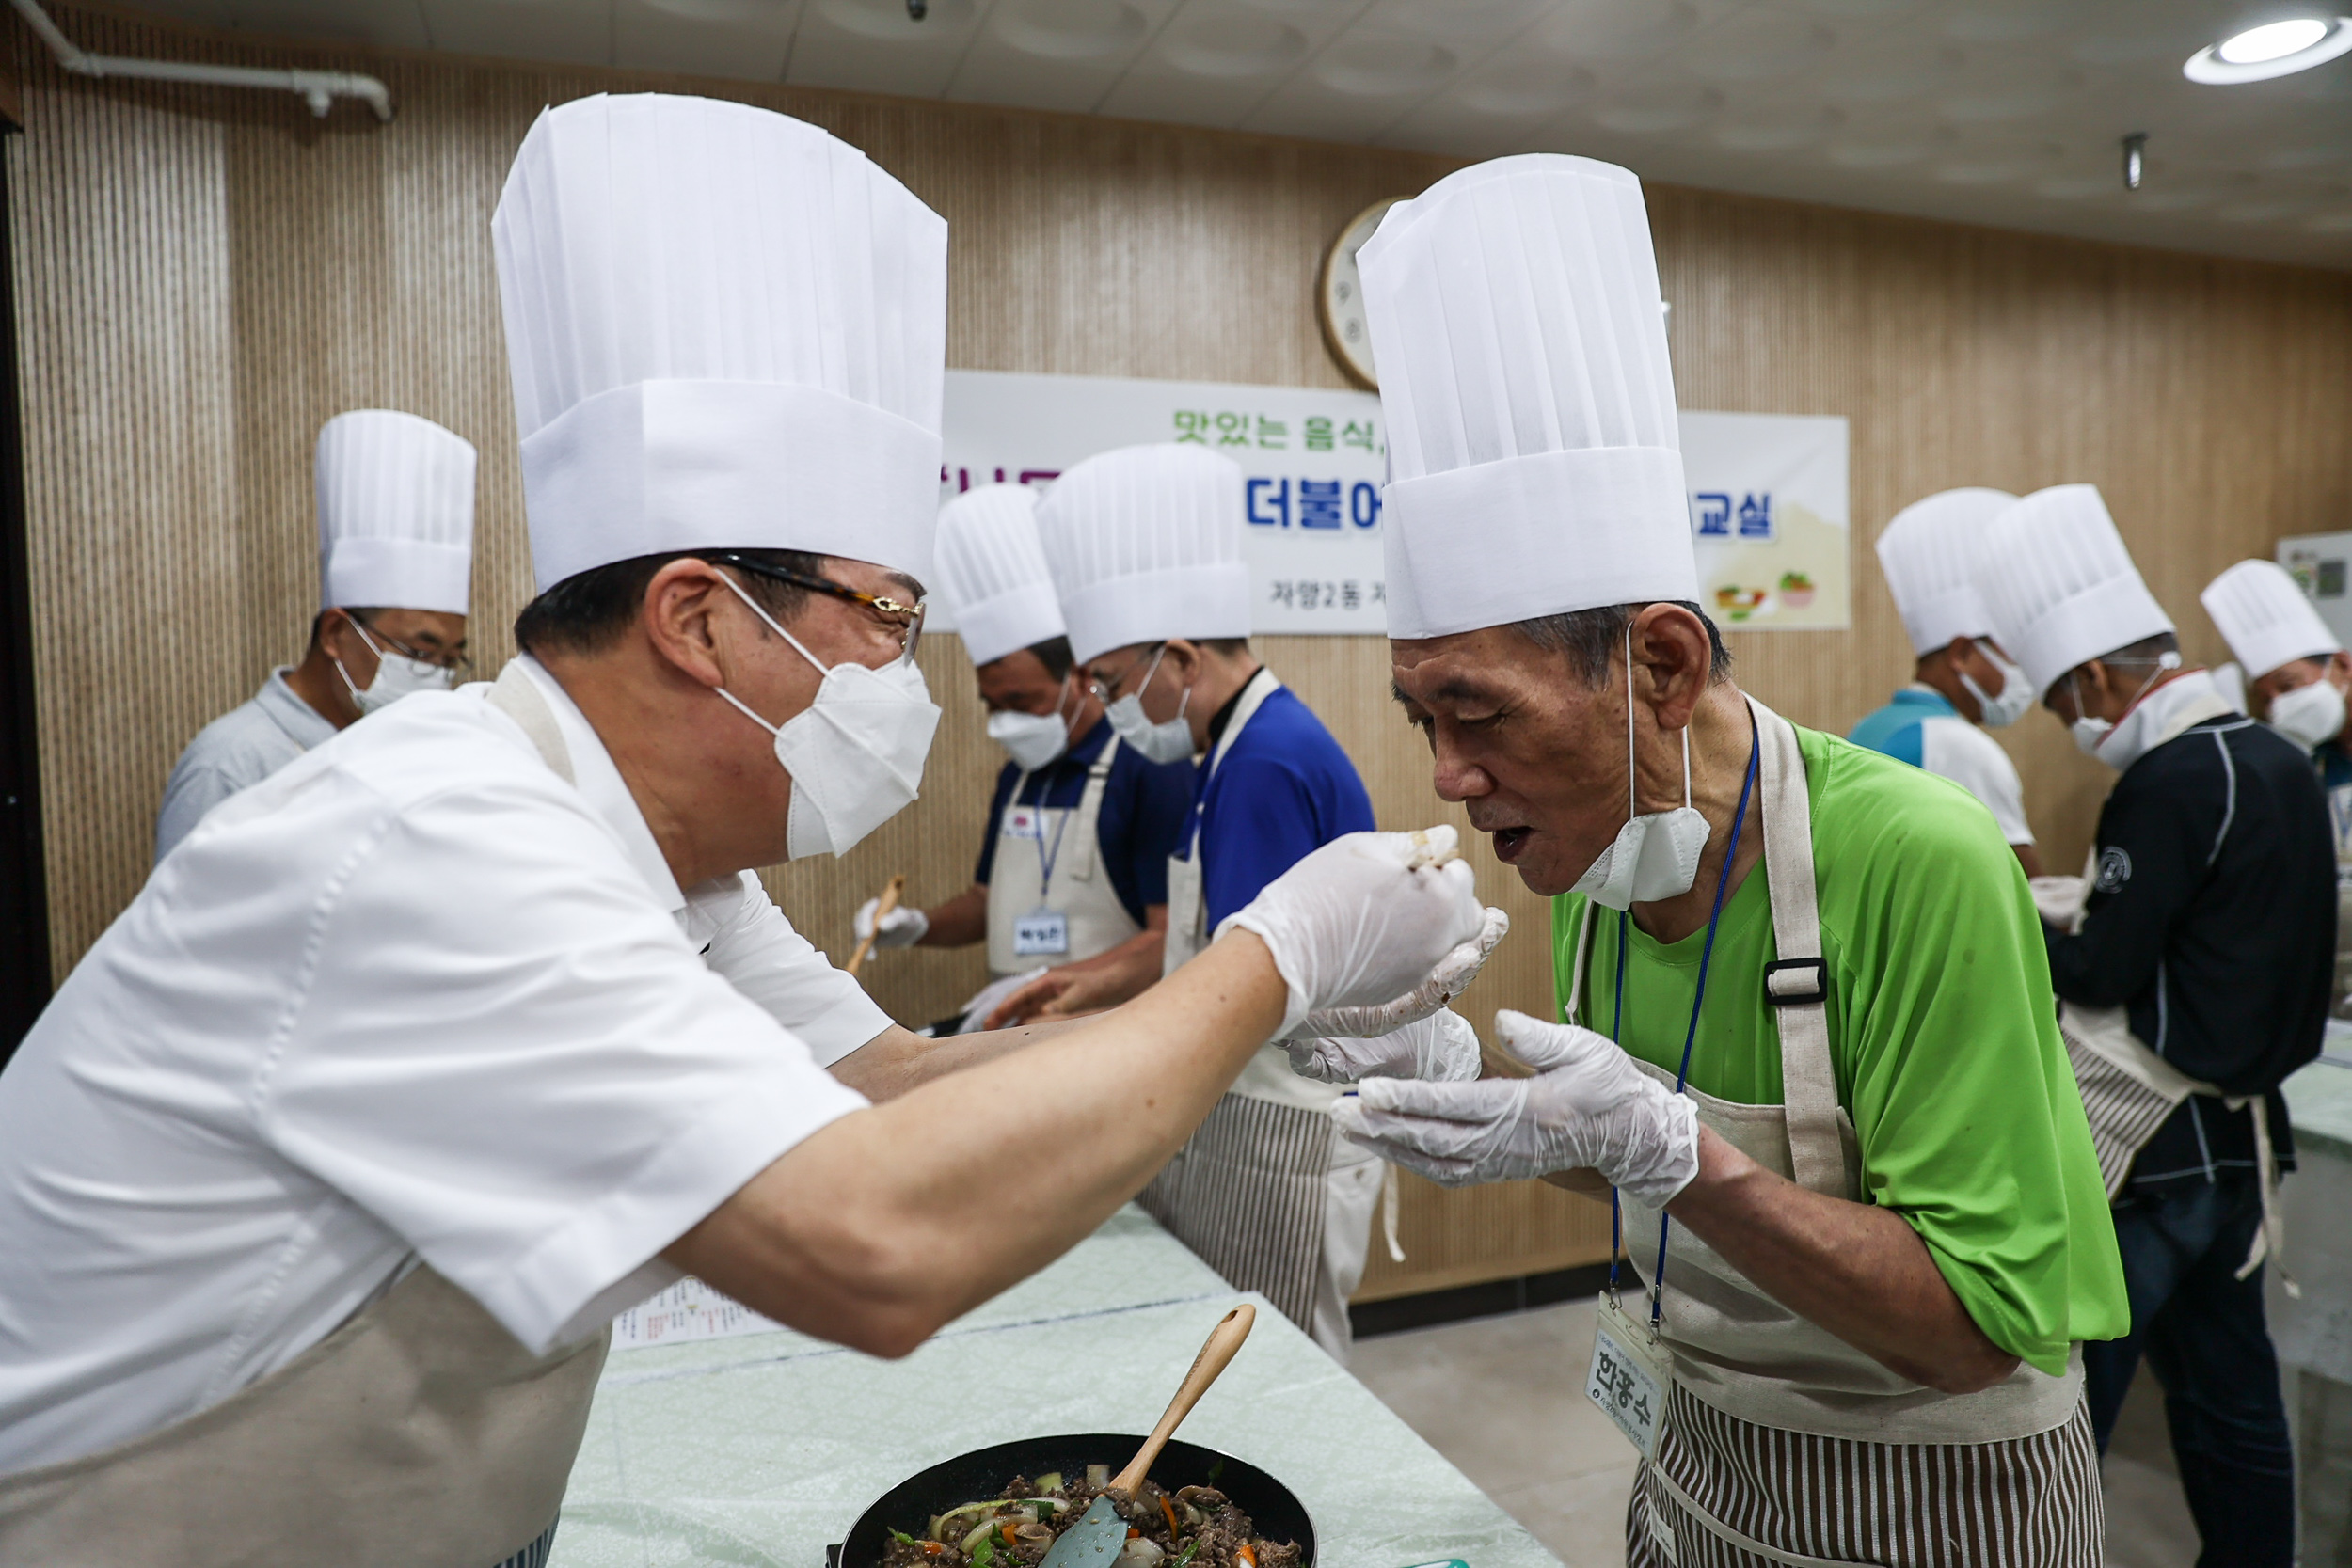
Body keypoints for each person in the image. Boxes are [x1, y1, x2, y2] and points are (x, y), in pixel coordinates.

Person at [0, 94, 1492, 1568]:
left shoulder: (675, 865)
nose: (907, 684)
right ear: (704, 617)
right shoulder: (442, 827)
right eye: (888, 620)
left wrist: (1253, 1004)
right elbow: (875, 1240)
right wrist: (1281, 955)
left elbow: (895, 1079)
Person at [1335, 153, 2128, 1568]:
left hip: (1934, 1502)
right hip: (1692, 1472)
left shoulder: (1916, 854)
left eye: (1481, 714)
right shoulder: (1598, 867)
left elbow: (1970, 1329)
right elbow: (1643, 1155)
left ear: (1661, 659)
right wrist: (1515, 1113)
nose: (1451, 778)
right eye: (1425, 720)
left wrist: (1679, 1161)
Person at [1021, 440, 1500, 1363]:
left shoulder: (1264, 763)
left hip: (1283, 1129)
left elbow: (1255, 997)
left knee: (1282, 1379)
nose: (1113, 708)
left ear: (1181, 657)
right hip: (1250, 1120)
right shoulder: (1227, 751)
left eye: (1117, 686)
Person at [1979, 487, 2331, 1568]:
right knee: (2233, 1401)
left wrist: (2007, 914)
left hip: (2154, 1163)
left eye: (2058, 702)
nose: (2066, 723)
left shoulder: (2166, 779)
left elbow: (2103, 971)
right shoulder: (2276, 761)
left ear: (2091, 677)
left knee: (2061, 1409)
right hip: (2242, 1148)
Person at [851, 483, 1193, 1027]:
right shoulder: (1019, 774)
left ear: (1079, 678)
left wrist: (1060, 987)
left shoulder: (1146, 767)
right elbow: (990, 902)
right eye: (993, 703)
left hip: (1112, 1031)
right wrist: (919, 925)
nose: (1004, 720)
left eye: (1021, 701)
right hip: (1015, 1029)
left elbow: (1169, 937)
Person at [154, 409, 475, 861]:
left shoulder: (410, 746)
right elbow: (180, 924)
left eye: (449, 660)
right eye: (420, 652)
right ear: (337, 633)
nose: (436, 678)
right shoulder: (231, 767)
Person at [1849, 486, 2042, 872]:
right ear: (1962, 655)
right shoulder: (1960, 747)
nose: (2025, 669)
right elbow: (2020, 881)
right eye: (2012, 650)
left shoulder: (1872, 726)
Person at [2203, 558, 2352, 787]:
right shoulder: (2316, 760)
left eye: (2288, 686)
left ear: (2343, 664)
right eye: (2267, 701)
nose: (2280, 706)